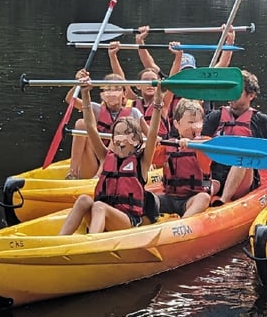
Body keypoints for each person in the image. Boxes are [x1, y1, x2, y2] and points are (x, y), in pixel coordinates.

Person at [58, 72, 161, 235]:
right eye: (117, 134)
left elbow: (153, 133)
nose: (120, 138)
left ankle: (92, 242)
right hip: (103, 213)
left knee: (99, 206)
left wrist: (158, 101)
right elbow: (91, 127)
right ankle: (61, 240)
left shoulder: (143, 162)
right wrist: (85, 93)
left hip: (127, 220)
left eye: (126, 134)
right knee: (84, 199)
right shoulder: (106, 155)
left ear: (136, 140)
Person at [207, 69, 267, 203]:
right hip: (214, 176)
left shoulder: (262, 121)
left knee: (243, 154)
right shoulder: (215, 117)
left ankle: (224, 200)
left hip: (243, 181)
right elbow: (200, 143)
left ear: (251, 95)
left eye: (237, 92)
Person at [152, 98, 217, 220]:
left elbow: (205, 148)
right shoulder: (169, 145)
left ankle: (181, 224)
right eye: (190, 122)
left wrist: (190, 143)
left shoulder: (205, 143)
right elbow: (150, 159)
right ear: (177, 124)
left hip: (192, 198)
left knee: (204, 198)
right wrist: (153, 143)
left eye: (198, 122)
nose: (195, 127)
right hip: (169, 198)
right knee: (148, 198)